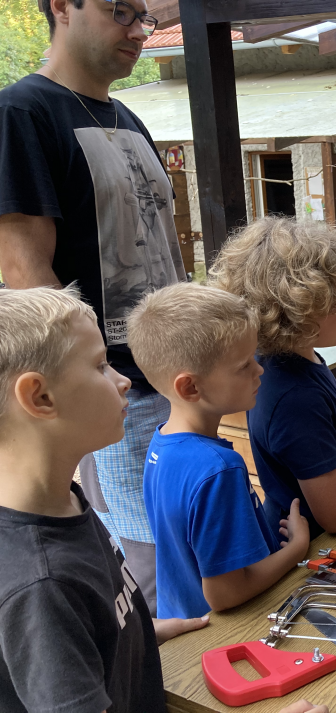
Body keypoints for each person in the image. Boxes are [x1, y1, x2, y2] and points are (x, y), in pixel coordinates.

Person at [0, 0, 186, 614]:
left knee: (189, 548)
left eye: (147, 19)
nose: (139, 30)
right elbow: (25, 271)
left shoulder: (128, 118)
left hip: (177, 379)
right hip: (116, 390)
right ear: (62, 7)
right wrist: (89, 384)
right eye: (122, 12)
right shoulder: (21, 112)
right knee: (149, 568)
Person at [0, 286, 208, 712]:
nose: (123, 380)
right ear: (40, 397)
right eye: (100, 365)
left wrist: (137, 630)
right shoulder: (42, 585)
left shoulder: (62, 503)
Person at [210, 218, 336, 537]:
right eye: (334, 302)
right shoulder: (295, 397)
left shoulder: (299, 358)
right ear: (293, 309)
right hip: (321, 547)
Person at [127, 283, 310, 620]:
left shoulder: (162, 445)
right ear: (190, 387)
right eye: (243, 366)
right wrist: (296, 548)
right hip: (220, 634)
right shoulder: (218, 468)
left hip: (181, 617)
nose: (260, 370)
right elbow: (225, 594)